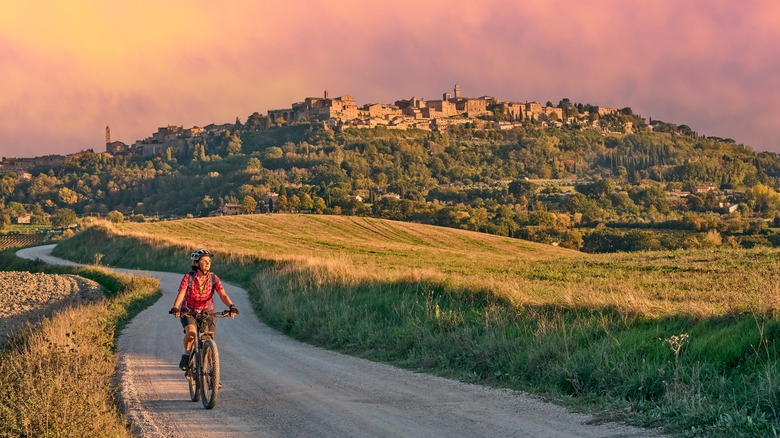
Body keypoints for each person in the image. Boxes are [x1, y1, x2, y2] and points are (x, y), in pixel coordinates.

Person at [170, 248, 238, 370]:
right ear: (196, 263)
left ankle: (214, 375)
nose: (207, 263)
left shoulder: (213, 278)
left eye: (209, 261)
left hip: (207, 311)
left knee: (210, 340)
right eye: (204, 261)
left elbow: (222, 294)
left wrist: (231, 306)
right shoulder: (188, 277)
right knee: (191, 333)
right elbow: (181, 293)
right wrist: (175, 307)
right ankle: (186, 356)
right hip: (189, 311)